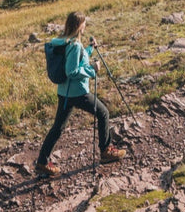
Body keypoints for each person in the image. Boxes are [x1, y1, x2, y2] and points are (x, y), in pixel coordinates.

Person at [36, 11, 123, 178]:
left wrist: (89, 49)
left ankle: (42, 161)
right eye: (84, 23)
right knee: (103, 113)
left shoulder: (62, 41)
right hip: (78, 92)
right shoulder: (75, 44)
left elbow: (76, 58)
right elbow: (72, 70)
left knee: (58, 128)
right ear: (78, 25)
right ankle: (105, 151)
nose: (85, 26)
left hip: (64, 92)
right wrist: (92, 70)